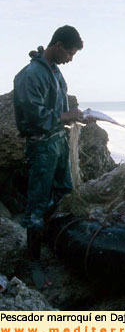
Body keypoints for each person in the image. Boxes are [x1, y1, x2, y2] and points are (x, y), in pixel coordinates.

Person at [13, 25, 85, 288]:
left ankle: (47, 236)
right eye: (70, 53)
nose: (70, 59)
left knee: (64, 190)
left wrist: (78, 115)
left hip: (58, 142)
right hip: (41, 147)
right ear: (57, 45)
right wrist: (67, 116)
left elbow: (60, 108)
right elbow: (34, 117)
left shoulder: (55, 72)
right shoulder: (30, 75)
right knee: (37, 206)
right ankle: (33, 259)